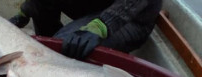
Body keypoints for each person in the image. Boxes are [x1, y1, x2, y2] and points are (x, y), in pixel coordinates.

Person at [9, 0, 162, 60]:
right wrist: (26, 10)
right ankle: (49, 53)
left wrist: (102, 26)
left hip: (132, 18)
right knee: (38, 5)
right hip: (94, 7)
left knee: (64, 44)